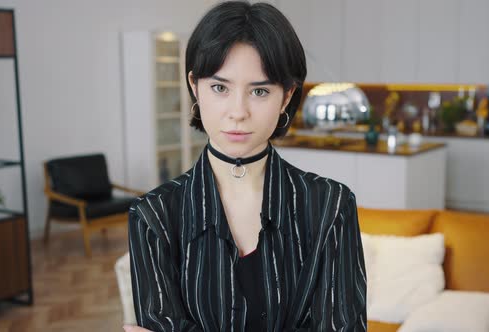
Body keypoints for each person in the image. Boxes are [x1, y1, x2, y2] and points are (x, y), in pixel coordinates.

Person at [124, 1, 367, 331]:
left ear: (286, 97)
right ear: (195, 87)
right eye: (220, 87)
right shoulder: (153, 215)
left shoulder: (330, 205)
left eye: (260, 91)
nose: (238, 112)